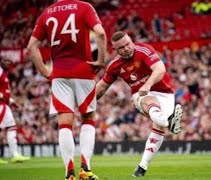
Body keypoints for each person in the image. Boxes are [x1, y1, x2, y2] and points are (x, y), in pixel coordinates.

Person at [27, 0, 107, 179]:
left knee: (64, 122)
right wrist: (101, 60)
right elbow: (100, 33)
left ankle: (68, 171)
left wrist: (46, 73)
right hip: (83, 70)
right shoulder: (84, 6)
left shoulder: (47, 13)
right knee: (88, 117)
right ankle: (85, 169)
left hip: (60, 72)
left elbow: (31, 47)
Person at [96, 31, 183, 177]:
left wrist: (148, 84)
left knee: (159, 125)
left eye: (128, 44)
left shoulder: (144, 49)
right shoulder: (114, 66)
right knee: (149, 102)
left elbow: (160, 69)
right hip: (140, 95)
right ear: (115, 50)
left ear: (131, 41)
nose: (126, 48)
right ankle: (170, 122)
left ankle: (142, 166)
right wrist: (85, 103)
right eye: (121, 48)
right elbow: (102, 87)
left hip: (165, 93)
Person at [0, 58, 31, 164]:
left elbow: (6, 94)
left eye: (9, 62)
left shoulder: (4, 73)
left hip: (4, 104)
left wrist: (14, 103)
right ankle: (15, 154)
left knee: (11, 127)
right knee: (11, 126)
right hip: (0, 104)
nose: (7, 64)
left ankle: (15, 154)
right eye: (5, 62)